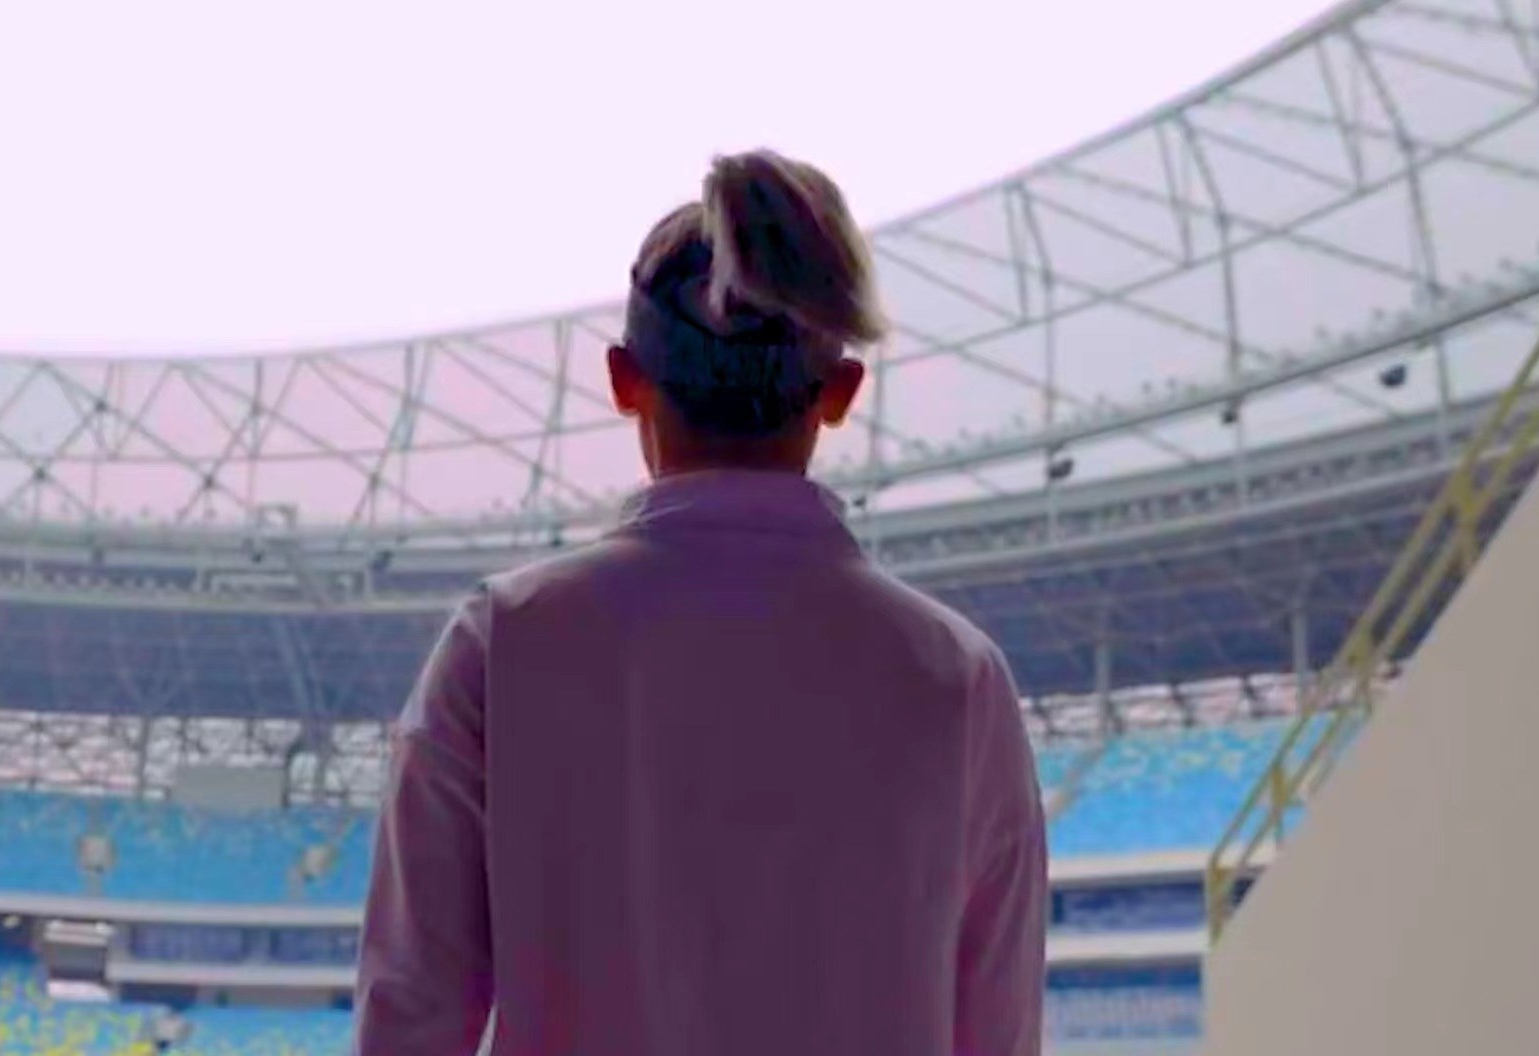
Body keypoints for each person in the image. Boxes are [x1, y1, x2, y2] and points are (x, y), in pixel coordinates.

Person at [354, 149, 1047, 1056]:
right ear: (841, 395)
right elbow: (998, 1036)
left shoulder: (505, 641)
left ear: (621, 378)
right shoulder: (958, 678)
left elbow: (411, 1020)